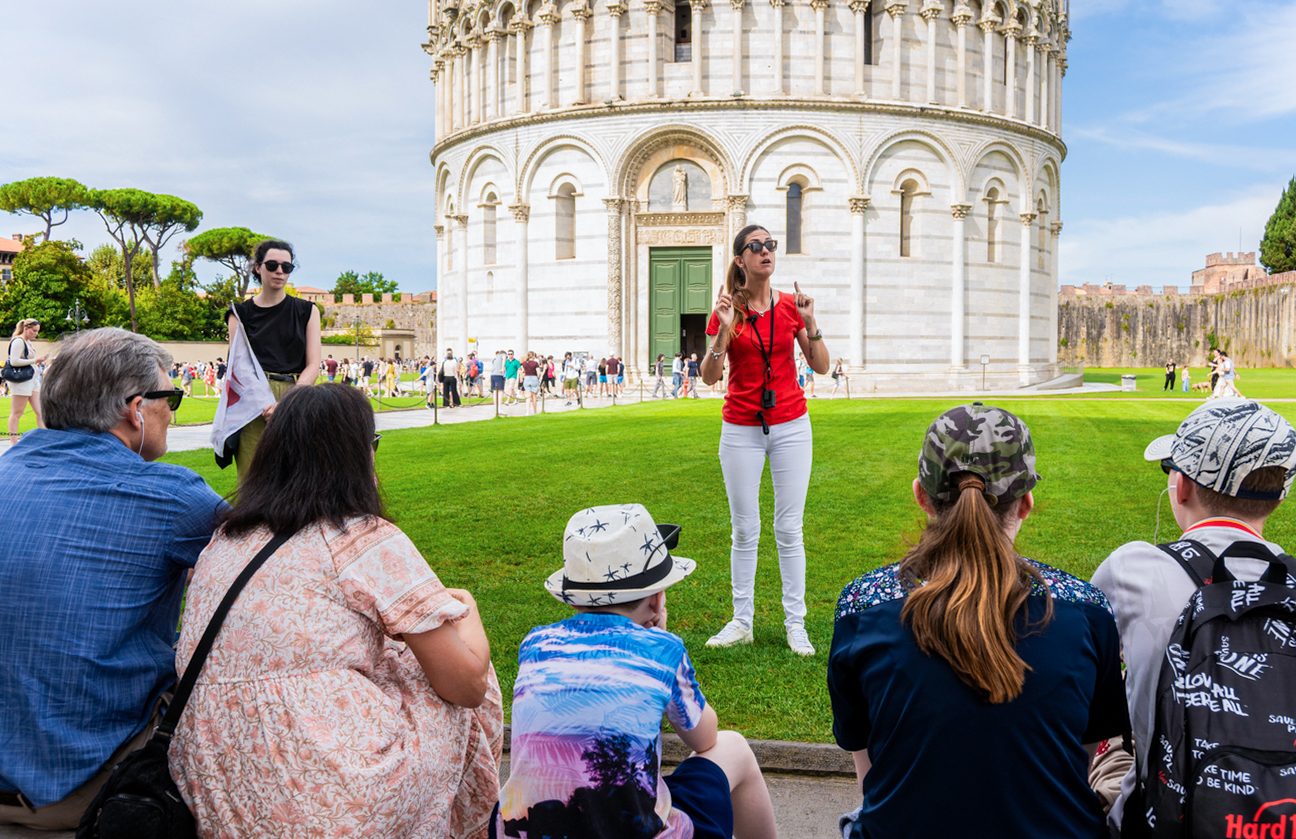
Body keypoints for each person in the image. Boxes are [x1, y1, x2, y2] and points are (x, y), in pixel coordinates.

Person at [168, 384, 503, 838]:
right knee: (463, 678)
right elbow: (465, 685)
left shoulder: (224, 541)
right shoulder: (360, 535)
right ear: (359, 453)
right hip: (332, 791)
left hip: (218, 777)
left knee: (397, 657)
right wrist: (470, 616)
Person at [828, 403, 1128, 839]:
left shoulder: (862, 608)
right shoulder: (1087, 611)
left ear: (921, 495)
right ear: (1025, 504)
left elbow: (874, 777)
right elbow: (1072, 766)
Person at [0, 328, 225, 831]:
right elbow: (277, 569)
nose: (177, 410)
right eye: (172, 397)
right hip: (83, 783)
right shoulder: (169, 495)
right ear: (136, 409)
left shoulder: (6, 471)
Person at [1091, 400, 1296, 833]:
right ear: (1280, 497)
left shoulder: (1129, 569)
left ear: (1182, 485)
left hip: (1163, 821)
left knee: (1111, 741)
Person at [498, 504, 777, 839]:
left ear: (573, 600)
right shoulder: (662, 650)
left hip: (529, 830)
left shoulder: (534, 645)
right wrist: (658, 641)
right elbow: (705, 737)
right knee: (733, 747)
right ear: (657, 601)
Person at [700, 224, 830, 655]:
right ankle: (742, 621)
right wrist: (723, 329)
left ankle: (796, 624)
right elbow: (709, 376)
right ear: (740, 259)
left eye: (770, 245)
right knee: (744, 529)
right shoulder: (725, 310)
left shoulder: (792, 306)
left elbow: (822, 366)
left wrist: (811, 323)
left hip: (791, 424)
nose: (765, 251)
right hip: (740, 427)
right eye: (755, 247)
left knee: (789, 529)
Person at [225, 239, 321, 479]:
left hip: (297, 396)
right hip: (253, 401)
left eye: (286, 267)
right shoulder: (239, 314)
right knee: (252, 479)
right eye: (272, 265)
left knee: (297, 479)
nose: (280, 271)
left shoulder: (307, 311)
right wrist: (265, 403)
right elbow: (239, 367)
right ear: (258, 267)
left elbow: (313, 364)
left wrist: (288, 403)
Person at [5, 318, 46, 445]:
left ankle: (44, 440)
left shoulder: (28, 342)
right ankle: (13, 442)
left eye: (37, 331)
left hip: (32, 380)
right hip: (21, 380)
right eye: (34, 331)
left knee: (41, 412)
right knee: (17, 412)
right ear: (26, 329)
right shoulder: (18, 341)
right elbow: (14, 361)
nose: (36, 334)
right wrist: (35, 361)